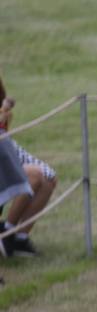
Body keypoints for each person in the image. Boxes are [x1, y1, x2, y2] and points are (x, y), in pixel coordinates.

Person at [0, 84, 56, 258]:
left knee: (49, 179)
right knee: (35, 177)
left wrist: (4, 112)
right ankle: (7, 232)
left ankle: (19, 238)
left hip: (4, 143)